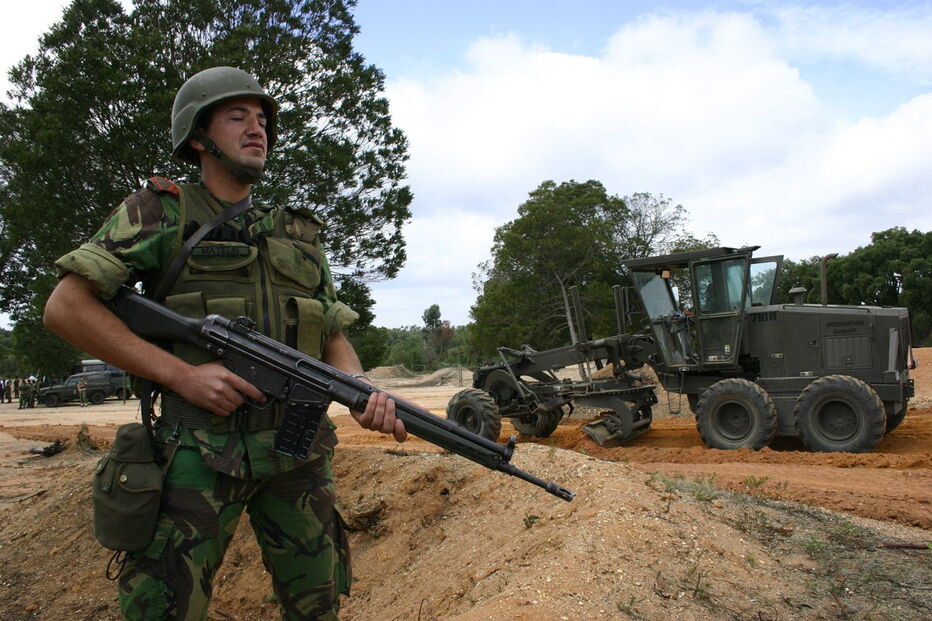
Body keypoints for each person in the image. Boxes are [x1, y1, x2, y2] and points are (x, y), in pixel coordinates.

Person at [44, 66, 407, 620]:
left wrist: (359, 390)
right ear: (198, 136)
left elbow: (330, 331)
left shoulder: (297, 233)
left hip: (298, 456)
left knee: (319, 606)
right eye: (237, 117)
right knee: (163, 608)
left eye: (262, 120)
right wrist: (181, 375)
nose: (257, 129)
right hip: (197, 452)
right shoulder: (160, 211)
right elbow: (66, 307)